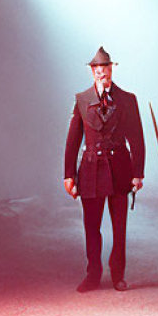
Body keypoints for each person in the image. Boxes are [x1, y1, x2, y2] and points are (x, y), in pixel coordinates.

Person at [63, 47, 145, 292]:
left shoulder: (127, 99)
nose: (102, 75)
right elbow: (73, 140)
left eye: (106, 70)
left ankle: (118, 275)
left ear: (112, 70)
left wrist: (138, 173)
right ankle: (93, 275)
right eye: (98, 71)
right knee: (91, 227)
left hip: (120, 167)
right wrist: (69, 174)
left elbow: (137, 139)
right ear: (92, 72)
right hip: (90, 170)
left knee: (119, 228)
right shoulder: (82, 99)